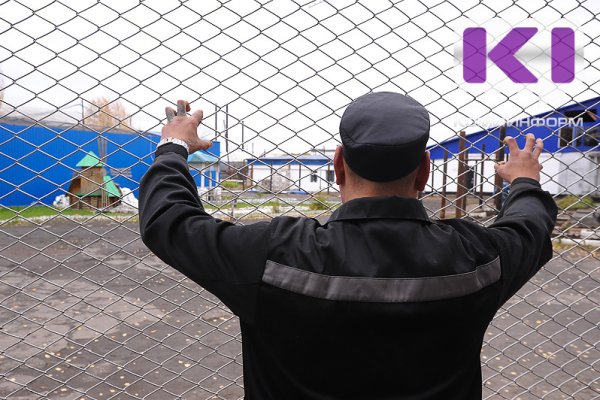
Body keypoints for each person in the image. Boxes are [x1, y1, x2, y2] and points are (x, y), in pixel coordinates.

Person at [139, 93, 557, 399]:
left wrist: (174, 147)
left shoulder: (274, 253)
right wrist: (524, 180)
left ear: (338, 164)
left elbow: (169, 221)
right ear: (424, 172)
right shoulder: (476, 257)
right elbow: (531, 226)